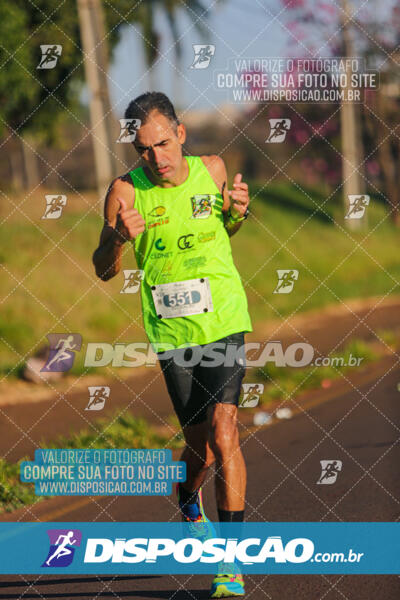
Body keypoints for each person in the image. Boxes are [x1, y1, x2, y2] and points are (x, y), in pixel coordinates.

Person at [93, 92, 252, 598]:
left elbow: (226, 227)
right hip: (171, 332)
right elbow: (102, 268)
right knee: (199, 447)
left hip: (224, 317)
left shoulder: (213, 168)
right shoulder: (124, 191)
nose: (156, 157)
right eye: (143, 149)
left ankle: (230, 564)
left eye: (163, 143)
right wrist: (117, 238)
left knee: (226, 432)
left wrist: (239, 214)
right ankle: (186, 496)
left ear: (180, 134)